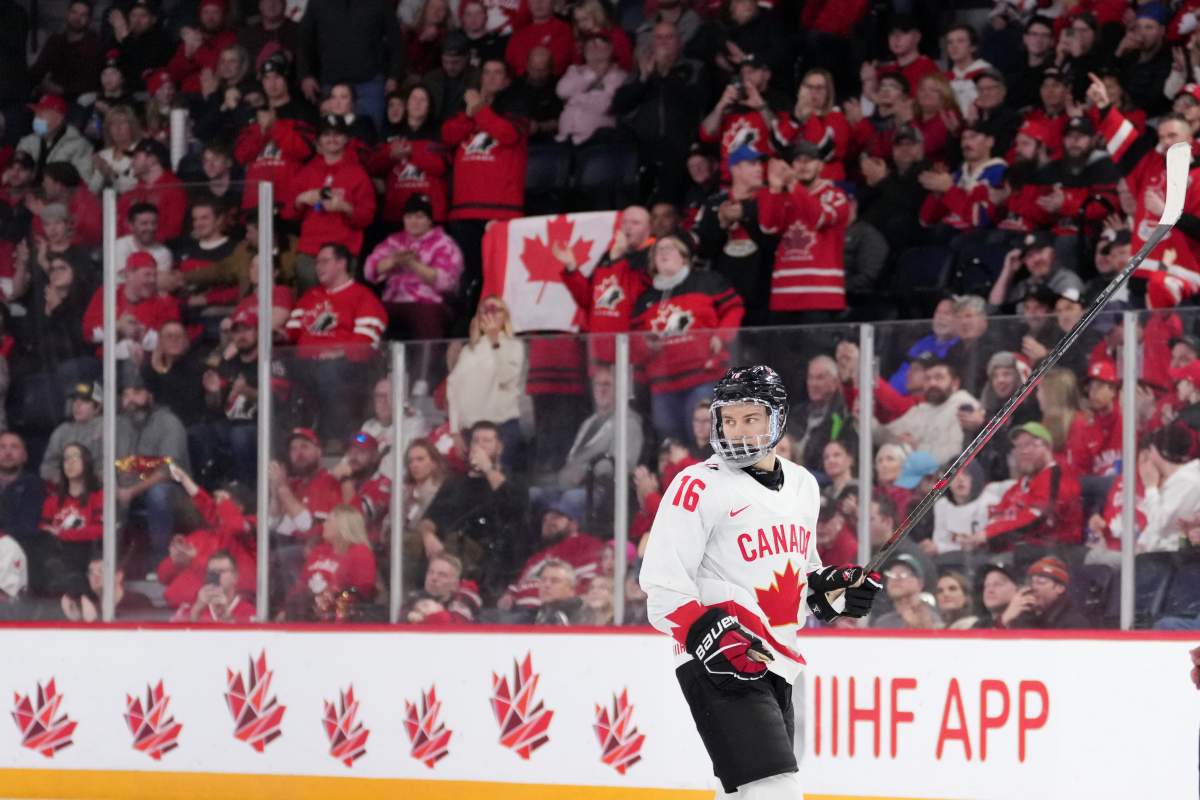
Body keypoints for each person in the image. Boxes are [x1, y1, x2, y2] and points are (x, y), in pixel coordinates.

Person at [640, 365, 881, 799]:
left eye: (751, 418)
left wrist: (833, 593)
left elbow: (799, 582)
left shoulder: (804, 485)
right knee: (774, 789)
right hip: (717, 660)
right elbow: (662, 590)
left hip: (781, 656)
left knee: (747, 792)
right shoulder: (696, 485)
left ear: (777, 419)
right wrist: (706, 632)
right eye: (728, 419)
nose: (737, 431)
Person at [631, 231, 744, 445]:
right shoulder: (645, 298)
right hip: (663, 385)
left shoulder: (706, 281)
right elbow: (634, 340)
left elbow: (734, 308)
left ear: (683, 255)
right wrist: (647, 345)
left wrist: (721, 335)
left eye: (669, 248)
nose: (663, 253)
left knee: (703, 437)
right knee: (671, 440)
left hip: (704, 377)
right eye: (658, 250)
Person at [285, 243, 387, 446]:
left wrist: (339, 352)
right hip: (305, 364)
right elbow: (291, 334)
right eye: (317, 263)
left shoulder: (362, 296)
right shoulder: (309, 297)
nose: (318, 267)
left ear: (341, 264)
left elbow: (365, 342)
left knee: (329, 372)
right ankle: (292, 436)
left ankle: (335, 438)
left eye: (325, 261)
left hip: (347, 366)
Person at [758, 143, 851, 323]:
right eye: (798, 160)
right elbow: (768, 227)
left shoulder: (835, 195)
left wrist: (792, 184)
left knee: (817, 351)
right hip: (784, 295)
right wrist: (775, 189)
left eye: (809, 160)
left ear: (821, 166)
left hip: (821, 296)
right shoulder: (781, 195)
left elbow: (818, 218)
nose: (803, 165)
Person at [288, 116, 376, 291]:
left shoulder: (357, 173)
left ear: (345, 139)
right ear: (318, 140)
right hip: (310, 251)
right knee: (309, 303)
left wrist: (345, 207)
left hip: (344, 250)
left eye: (337, 135)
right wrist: (301, 199)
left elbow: (367, 216)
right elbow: (288, 214)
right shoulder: (306, 172)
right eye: (327, 135)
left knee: (343, 304)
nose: (332, 139)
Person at [363, 193, 463, 341]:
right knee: (370, 314)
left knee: (425, 315)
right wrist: (394, 260)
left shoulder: (443, 243)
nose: (413, 221)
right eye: (409, 217)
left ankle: (427, 364)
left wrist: (413, 264)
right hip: (392, 300)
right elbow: (369, 271)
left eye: (419, 217)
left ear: (429, 221)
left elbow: (446, 282)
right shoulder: (394, 241)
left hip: (428, 302)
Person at [155, 464, 256, 608]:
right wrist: (175, 560)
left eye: (225, 501)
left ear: (240, 508)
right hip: (183, 615)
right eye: (218, 500)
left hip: (230, 611)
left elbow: (235, 526)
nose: (218, 504)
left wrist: (194, 559)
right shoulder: (199, 536)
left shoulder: (250, 530)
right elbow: (162, 576)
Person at [296, 0, 404, 129]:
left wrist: (394, 76)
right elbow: (304, 41)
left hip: (370, 85)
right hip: (331, 85)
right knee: (332, 141)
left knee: (370, 141)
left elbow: (396, 41)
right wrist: (305, 75)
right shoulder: (318, 2)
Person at [980, 421, 1083, 552]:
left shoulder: (1057, 477)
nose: (1022, 451)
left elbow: (1038, 519)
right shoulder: (1022, 484)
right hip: (1017, 551)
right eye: (1018, 446)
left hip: (1053, 552)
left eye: (1029, 444)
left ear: (1047, 447)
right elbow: (999, 512)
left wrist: (990, 533)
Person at [445, 295, 525, 463]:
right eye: (485, 311)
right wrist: (455, 431)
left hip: (501, 428)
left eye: (496, 310)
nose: (491, 315)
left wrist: (495, 341)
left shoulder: (514, 345)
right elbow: (454, 390)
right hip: (471, 431)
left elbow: (506, 378)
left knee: (498, 479)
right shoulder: (469, 350)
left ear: (506, 317)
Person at [498, 503, 604, 613]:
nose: (548, 522)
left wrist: (565, 603)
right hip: (519, 613)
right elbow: (520, 585)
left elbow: (591, 585)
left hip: (556, 614)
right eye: (545, 520)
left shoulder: (586, 544)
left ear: (574, 524)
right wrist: (509, 595)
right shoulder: (537, 557)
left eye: (555, 517)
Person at [35, 442, 102, 595]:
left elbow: (99, 531)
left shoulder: (98, 497)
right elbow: (44, 532)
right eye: (66, 459)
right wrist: (76, 533)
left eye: (76, 457)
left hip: (85, 556)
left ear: (87, 462)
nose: (70, 462)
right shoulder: (52, 501)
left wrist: (62, 534)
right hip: (59, 557)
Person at [885, 358, 978, 464]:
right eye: (927, 379)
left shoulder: (962, 403)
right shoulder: (920, 409)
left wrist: (915, 449)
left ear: (955, 384)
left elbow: (953, 455)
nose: (932, 383)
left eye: (939, 378)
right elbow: (888, 434)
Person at [1137, 422, 1200, 552]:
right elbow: (1150, 533)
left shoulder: (1189, 481)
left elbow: (1160, 524)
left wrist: (1150, 487)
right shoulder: (1175, 481)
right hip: (1153, 557)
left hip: (1173, 561)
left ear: (1154, 451)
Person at [17, 94, 97, 191]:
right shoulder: (27, 142)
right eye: (36, 114)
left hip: (62, 201)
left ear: (59, 119)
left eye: (41, 114)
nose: (36, 118)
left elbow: (83, 183)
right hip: (27, 196)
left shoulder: (80, 146)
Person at [116, 138, 188, 242]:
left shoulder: (174, 188)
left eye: (136, 157)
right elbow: (117, 229)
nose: (131, 163)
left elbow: (172, 231)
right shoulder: (130, 194)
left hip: (159, 249)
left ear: (152, 159)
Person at [1007, 556, 1090, 629]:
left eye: (1041, 582)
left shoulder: (1074, 623)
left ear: (1060, 588)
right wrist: (1007, 618)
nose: (1033, 587)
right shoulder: (1022, 614)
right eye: (1032, 582)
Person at [176, 550, 256, 622]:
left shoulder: (251, 612)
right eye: (212, 572)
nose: (216, 575)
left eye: (221, 571)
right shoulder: (189, 609)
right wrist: (196, 611)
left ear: (235, 577)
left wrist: (227, 616)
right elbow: (175, 636)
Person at [870, 553, 943, 630]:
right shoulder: (882, 623)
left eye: (903, 574)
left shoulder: (932, 617)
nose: (895, 579)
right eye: (891, 574)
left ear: (920, 584)